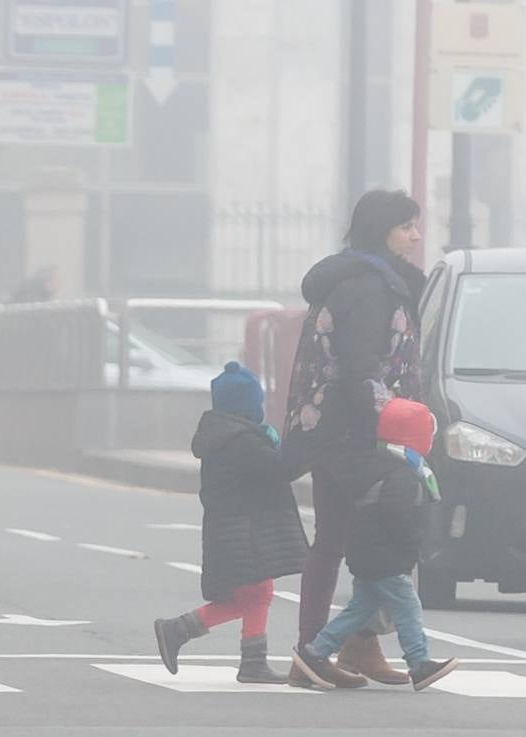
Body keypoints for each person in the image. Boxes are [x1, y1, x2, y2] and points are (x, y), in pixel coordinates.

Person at [282, 189, 428, 688]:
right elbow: (361, 368)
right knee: (336, 539)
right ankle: (310, 653)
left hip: (357, 430)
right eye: (407, 226)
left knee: (370, 537)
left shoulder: (377, 280)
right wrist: (390, 421)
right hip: (353, 434)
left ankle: (360, 647)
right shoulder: (366, 287)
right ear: (381, 230)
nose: (416, 236)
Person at [153, 362, 309, 684]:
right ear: (247, 406)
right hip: (242, 532)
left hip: (234, 531)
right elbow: (280, 469)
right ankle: (190, 634)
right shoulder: (242, 442)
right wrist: (308, 443)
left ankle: (236, 654)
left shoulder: (226, 437)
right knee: (257, 592)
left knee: (254, 593)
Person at [293, 399, 460, 691]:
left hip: (367, 552)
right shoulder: (403, 473)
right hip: (387, 556)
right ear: (416, 437)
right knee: (407, 607)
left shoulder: (377, 464)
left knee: (360, 609)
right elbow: (398, 515)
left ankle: (315, 652)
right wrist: (413, 545)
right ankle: (419, 662)